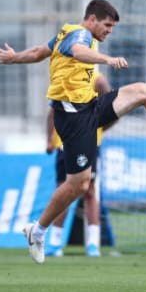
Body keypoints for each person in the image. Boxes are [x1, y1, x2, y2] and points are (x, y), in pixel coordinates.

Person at [0, 0, 146, 264]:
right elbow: (79, 52)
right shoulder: (79, 35)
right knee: (78, 185)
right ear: (92, 20)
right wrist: (108, 59)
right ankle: (38, 231)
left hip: (89, 108)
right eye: (107, 25)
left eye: (112, 27)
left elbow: (38, 52)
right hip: (73, 118)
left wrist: (14, 58)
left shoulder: (65, 33)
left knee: (143, 91)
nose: (109, 31)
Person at [45, 72, 114, 258]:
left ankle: (92, 244)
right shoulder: (63, 77)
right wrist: (50, 140)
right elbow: (52, 112)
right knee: (64, 191)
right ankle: (54, 242)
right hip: (64, 144)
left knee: (90, 191)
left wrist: (97, 128)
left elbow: (112, 105)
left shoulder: (96, 79)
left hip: (89, 143)